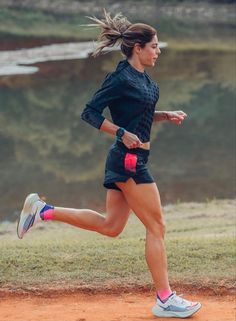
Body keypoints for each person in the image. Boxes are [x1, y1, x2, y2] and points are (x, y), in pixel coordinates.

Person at [17, 10, 201, 319]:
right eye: (154, 46)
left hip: (132, 158)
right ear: (137, 48)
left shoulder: (144, 79)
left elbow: (136, 115)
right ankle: (165, 297)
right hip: (129, 161)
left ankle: (43, 211)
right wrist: (119, 132)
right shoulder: (119, 78)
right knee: (157, 226)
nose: (158, 51)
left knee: (111, 226)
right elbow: (90, 112)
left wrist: (164, 115)